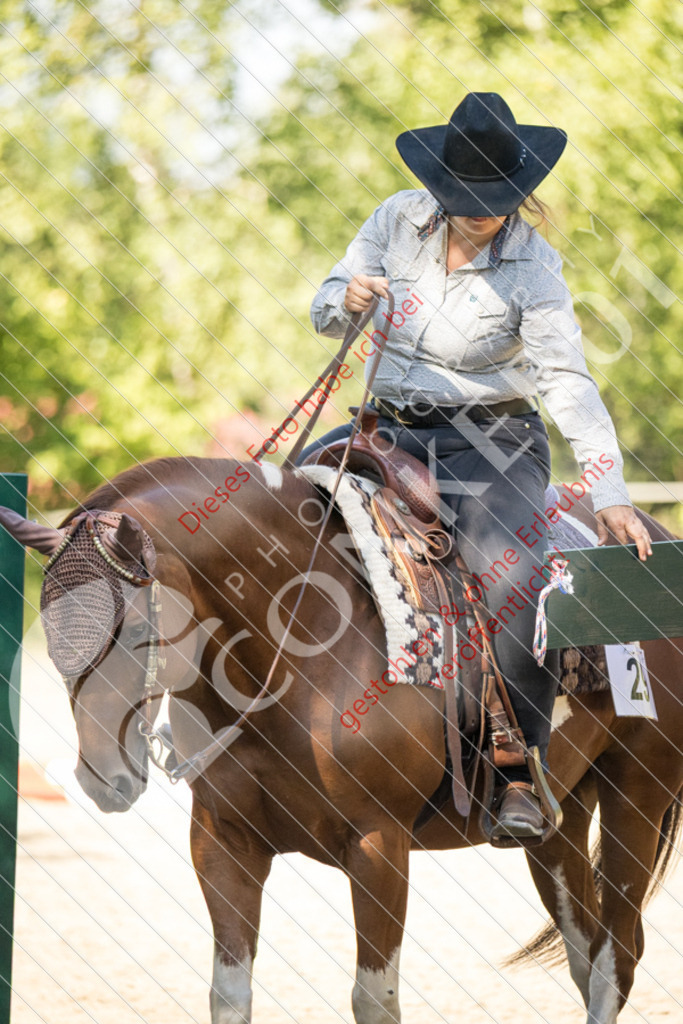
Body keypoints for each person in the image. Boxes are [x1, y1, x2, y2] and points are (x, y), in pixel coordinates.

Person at [307, 91, 651, 840]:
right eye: (464, 196)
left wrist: (611, 491)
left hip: (490, 444)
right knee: (281, 518)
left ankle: (517, 767)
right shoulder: (395, 219)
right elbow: (325, 307)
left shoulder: (534, 265)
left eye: (496, 199)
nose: (479, 210)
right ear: (438, 184)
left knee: (514, 579)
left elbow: (565, 379)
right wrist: (349, 294)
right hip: (385, 429)